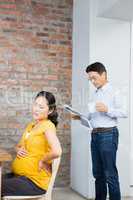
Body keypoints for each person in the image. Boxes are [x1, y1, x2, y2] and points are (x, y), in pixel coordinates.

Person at [73, 62, 127, 200]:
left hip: (108, 135)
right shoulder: (95, 93)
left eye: (94, 78)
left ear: (103, 74)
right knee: (98, 174)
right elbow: (91, 117)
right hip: (95, 135)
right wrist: (79, 116)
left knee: (110, 174)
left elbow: (124, 112)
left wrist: (107, 110)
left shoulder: (115, 91)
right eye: (90, 79)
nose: (92, 81)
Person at [2, 91, 62, 196]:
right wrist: (18, 150)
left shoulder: (48, 126)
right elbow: (18, 146)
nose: (36, 109)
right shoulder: (31, 125)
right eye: (35, 105)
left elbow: (57, 151)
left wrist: (43, 160)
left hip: (33, 182)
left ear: (50, 110)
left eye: (41, 107)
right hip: (19, 176)